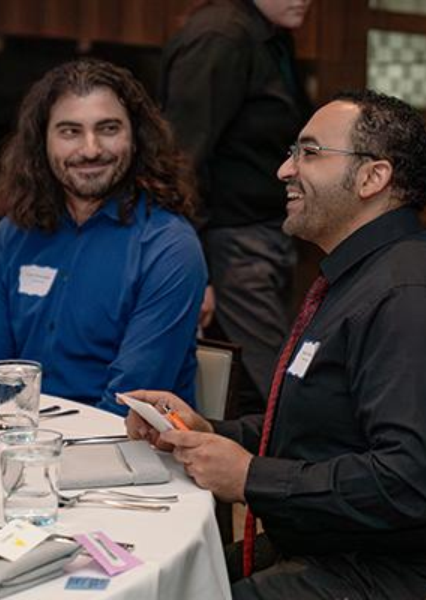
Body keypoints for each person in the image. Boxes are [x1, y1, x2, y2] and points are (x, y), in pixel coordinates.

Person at [124, 90, 426, 599]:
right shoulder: (362, 278)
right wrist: (212, 431)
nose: (283, 170)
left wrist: (252, 476)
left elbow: (409, 483)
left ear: (372, 177)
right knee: (153, 579)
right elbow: (322, 429)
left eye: (308, 152)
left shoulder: (416, 300)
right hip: (347, 551)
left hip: (421, 576)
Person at [0, 59, 207, 416]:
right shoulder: (12, 234)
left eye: (108, 129)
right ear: (41, 142)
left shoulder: (169, 248)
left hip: (120, 449)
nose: (91, 149)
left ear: (136, 138)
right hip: (17, 440)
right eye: (70, 131)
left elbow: (128, 402)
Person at [160, 0, 313, 415]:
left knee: (253, 388)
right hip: (231, 240)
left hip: (266, 232)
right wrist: (192, 266)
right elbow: (180, 158)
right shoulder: (222, 36)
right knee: (282, 389)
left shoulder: (270, 34)